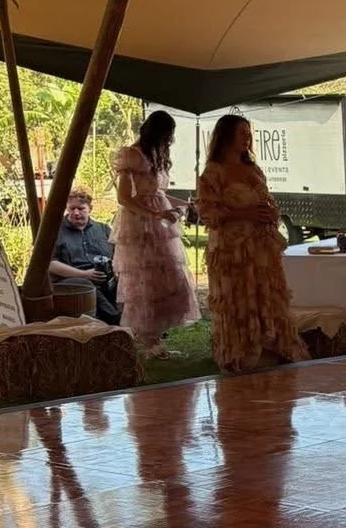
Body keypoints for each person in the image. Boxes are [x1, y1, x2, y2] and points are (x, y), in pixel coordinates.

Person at [194, 113, 304, 373]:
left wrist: (270, 214)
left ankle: (271, 346)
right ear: (226, 137)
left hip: (261, 247)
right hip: (233, 250)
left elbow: (267, 201)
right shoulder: (213, 172)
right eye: (241, 133)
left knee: (266, 295)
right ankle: (243, 353)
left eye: (249, 133)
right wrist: (244, 214)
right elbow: (207, 212)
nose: (247, 138)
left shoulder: (253, 169)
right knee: (239, 299)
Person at [111, 111, 199, 355]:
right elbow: (124, 198)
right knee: (145, 283)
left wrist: (183, 205)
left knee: (166, 280)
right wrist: (155, 214)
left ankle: (155, 339)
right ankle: (146, 339)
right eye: (167, 135)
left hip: (159, 226)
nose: (169, 140)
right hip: (140, 226)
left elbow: (158, 195)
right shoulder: (133, 155)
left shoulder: (155, 156)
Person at [50, 186, 120, 324]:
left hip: (105, 278)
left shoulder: (104, 229)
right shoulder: (55, 231)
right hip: (71, 281)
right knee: (86, 285)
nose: (76, 213)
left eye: (81, 208)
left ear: (90, 208)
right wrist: (84, 274)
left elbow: (118, 255)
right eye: (72, 208)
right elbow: (50, 264)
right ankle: (116, 321)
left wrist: (117, 270)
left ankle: (139, 320)